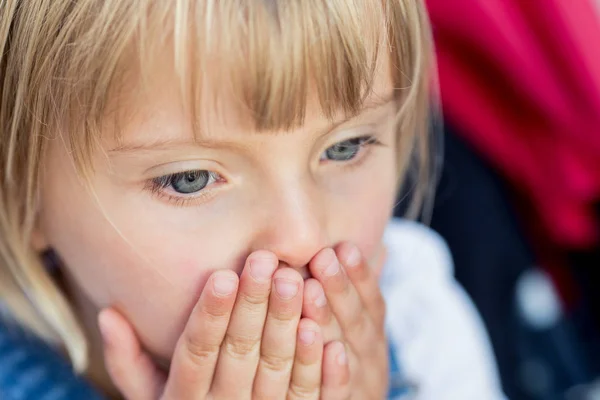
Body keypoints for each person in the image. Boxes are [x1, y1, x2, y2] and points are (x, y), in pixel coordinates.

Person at [0, 1, 504, 398]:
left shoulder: (420, 324)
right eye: (190, 179)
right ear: (20, 194)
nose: (303, 237)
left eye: (345, 147)